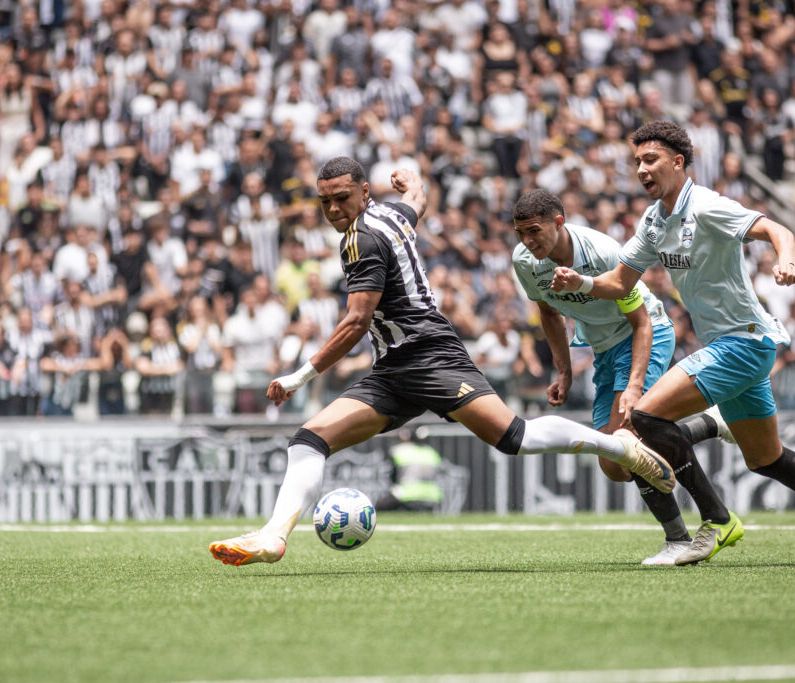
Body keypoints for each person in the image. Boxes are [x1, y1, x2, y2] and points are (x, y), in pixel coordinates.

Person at [209, 157, 675, 566]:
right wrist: (413, 181)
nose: (333, 210)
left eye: (342, 199)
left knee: (515, 437)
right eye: (325, 202)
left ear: (363, 193)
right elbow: (417, 201)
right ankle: (273, 536)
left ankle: (618, 447)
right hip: (393, 368)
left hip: (430, 356)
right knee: (308, 440)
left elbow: (355, 322)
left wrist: (299, 375)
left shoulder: (361, 241)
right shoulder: (390, 215)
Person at [551, 121, 795, 565]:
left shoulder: (707, 206)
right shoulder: (655, 221)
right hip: (733, 346)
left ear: (678, 161)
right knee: (766, 458)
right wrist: (581, 281)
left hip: (744, 342)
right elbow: (619, 282)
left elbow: (778, 231)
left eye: (650, 159)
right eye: (636, 162)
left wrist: (786, 261)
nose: (641, 169)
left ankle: (717, 520)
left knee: (648, 414)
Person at [512, 188, 735, 565]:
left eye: (534, 231)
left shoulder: (602, 253)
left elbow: (642, 322)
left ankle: (678, 540)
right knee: (614, 464)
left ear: (559, 223)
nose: (528, 241)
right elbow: (549, 314)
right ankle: (708, 424)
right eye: (521, 234)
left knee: (628, 440)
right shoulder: (525, 262)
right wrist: (563, 371)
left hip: (644, 336)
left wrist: (634, 386)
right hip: (602, 349)